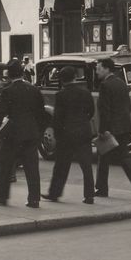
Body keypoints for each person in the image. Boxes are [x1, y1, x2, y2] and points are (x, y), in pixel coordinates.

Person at [0, 57, 48, 207]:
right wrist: (39, 132)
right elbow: (41, 114)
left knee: (5, 165)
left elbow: (1, 114)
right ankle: (34, 199)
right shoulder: (34, 89)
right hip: (31, 133)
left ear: (9, 75)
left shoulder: (8, 91)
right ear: (22, 73)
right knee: (32, 168)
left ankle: (2, 196)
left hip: (13, 133)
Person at [94, 58, 131, 200]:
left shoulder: (105, 85)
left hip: (112, 128)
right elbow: (128, 107)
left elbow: (104, 110)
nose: (97, 71)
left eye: (99, 68)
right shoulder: (121, 83)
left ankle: (102, 188)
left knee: (104, 157)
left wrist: (102, 130)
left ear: (107, 69)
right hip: (124, 126)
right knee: (122, 156)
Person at [46, 65, 97, 204]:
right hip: (83, 132)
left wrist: (57, 133)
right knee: (86, 166)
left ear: (62, 80)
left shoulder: (61, 95)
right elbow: (91, 111)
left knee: (61, 166)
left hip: (66, 134)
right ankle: (89, 195)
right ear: (75, 77)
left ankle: (54, 193)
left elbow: (58, 117)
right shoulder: (85, 92)